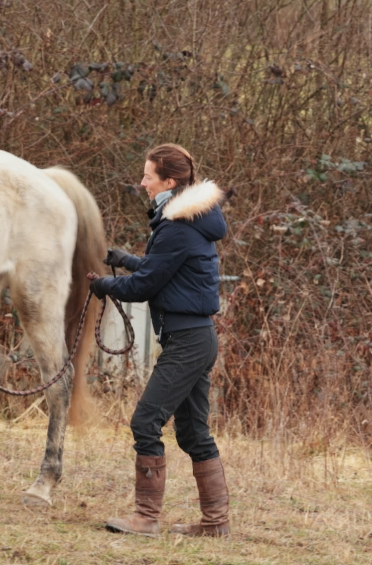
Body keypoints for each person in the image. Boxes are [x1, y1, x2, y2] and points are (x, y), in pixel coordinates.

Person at [89, 143, 229, 537]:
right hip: (196, 338)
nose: (142, 182)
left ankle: (146, 518)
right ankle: (215, 524)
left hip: (187, 342)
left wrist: (105, 285)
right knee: (193, 433)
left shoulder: (177, 225)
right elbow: (162, 269)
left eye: (148, 176)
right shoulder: (189, 221)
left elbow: (146, 284)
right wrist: (126, 260)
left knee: (145, 421)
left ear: (169, 182)